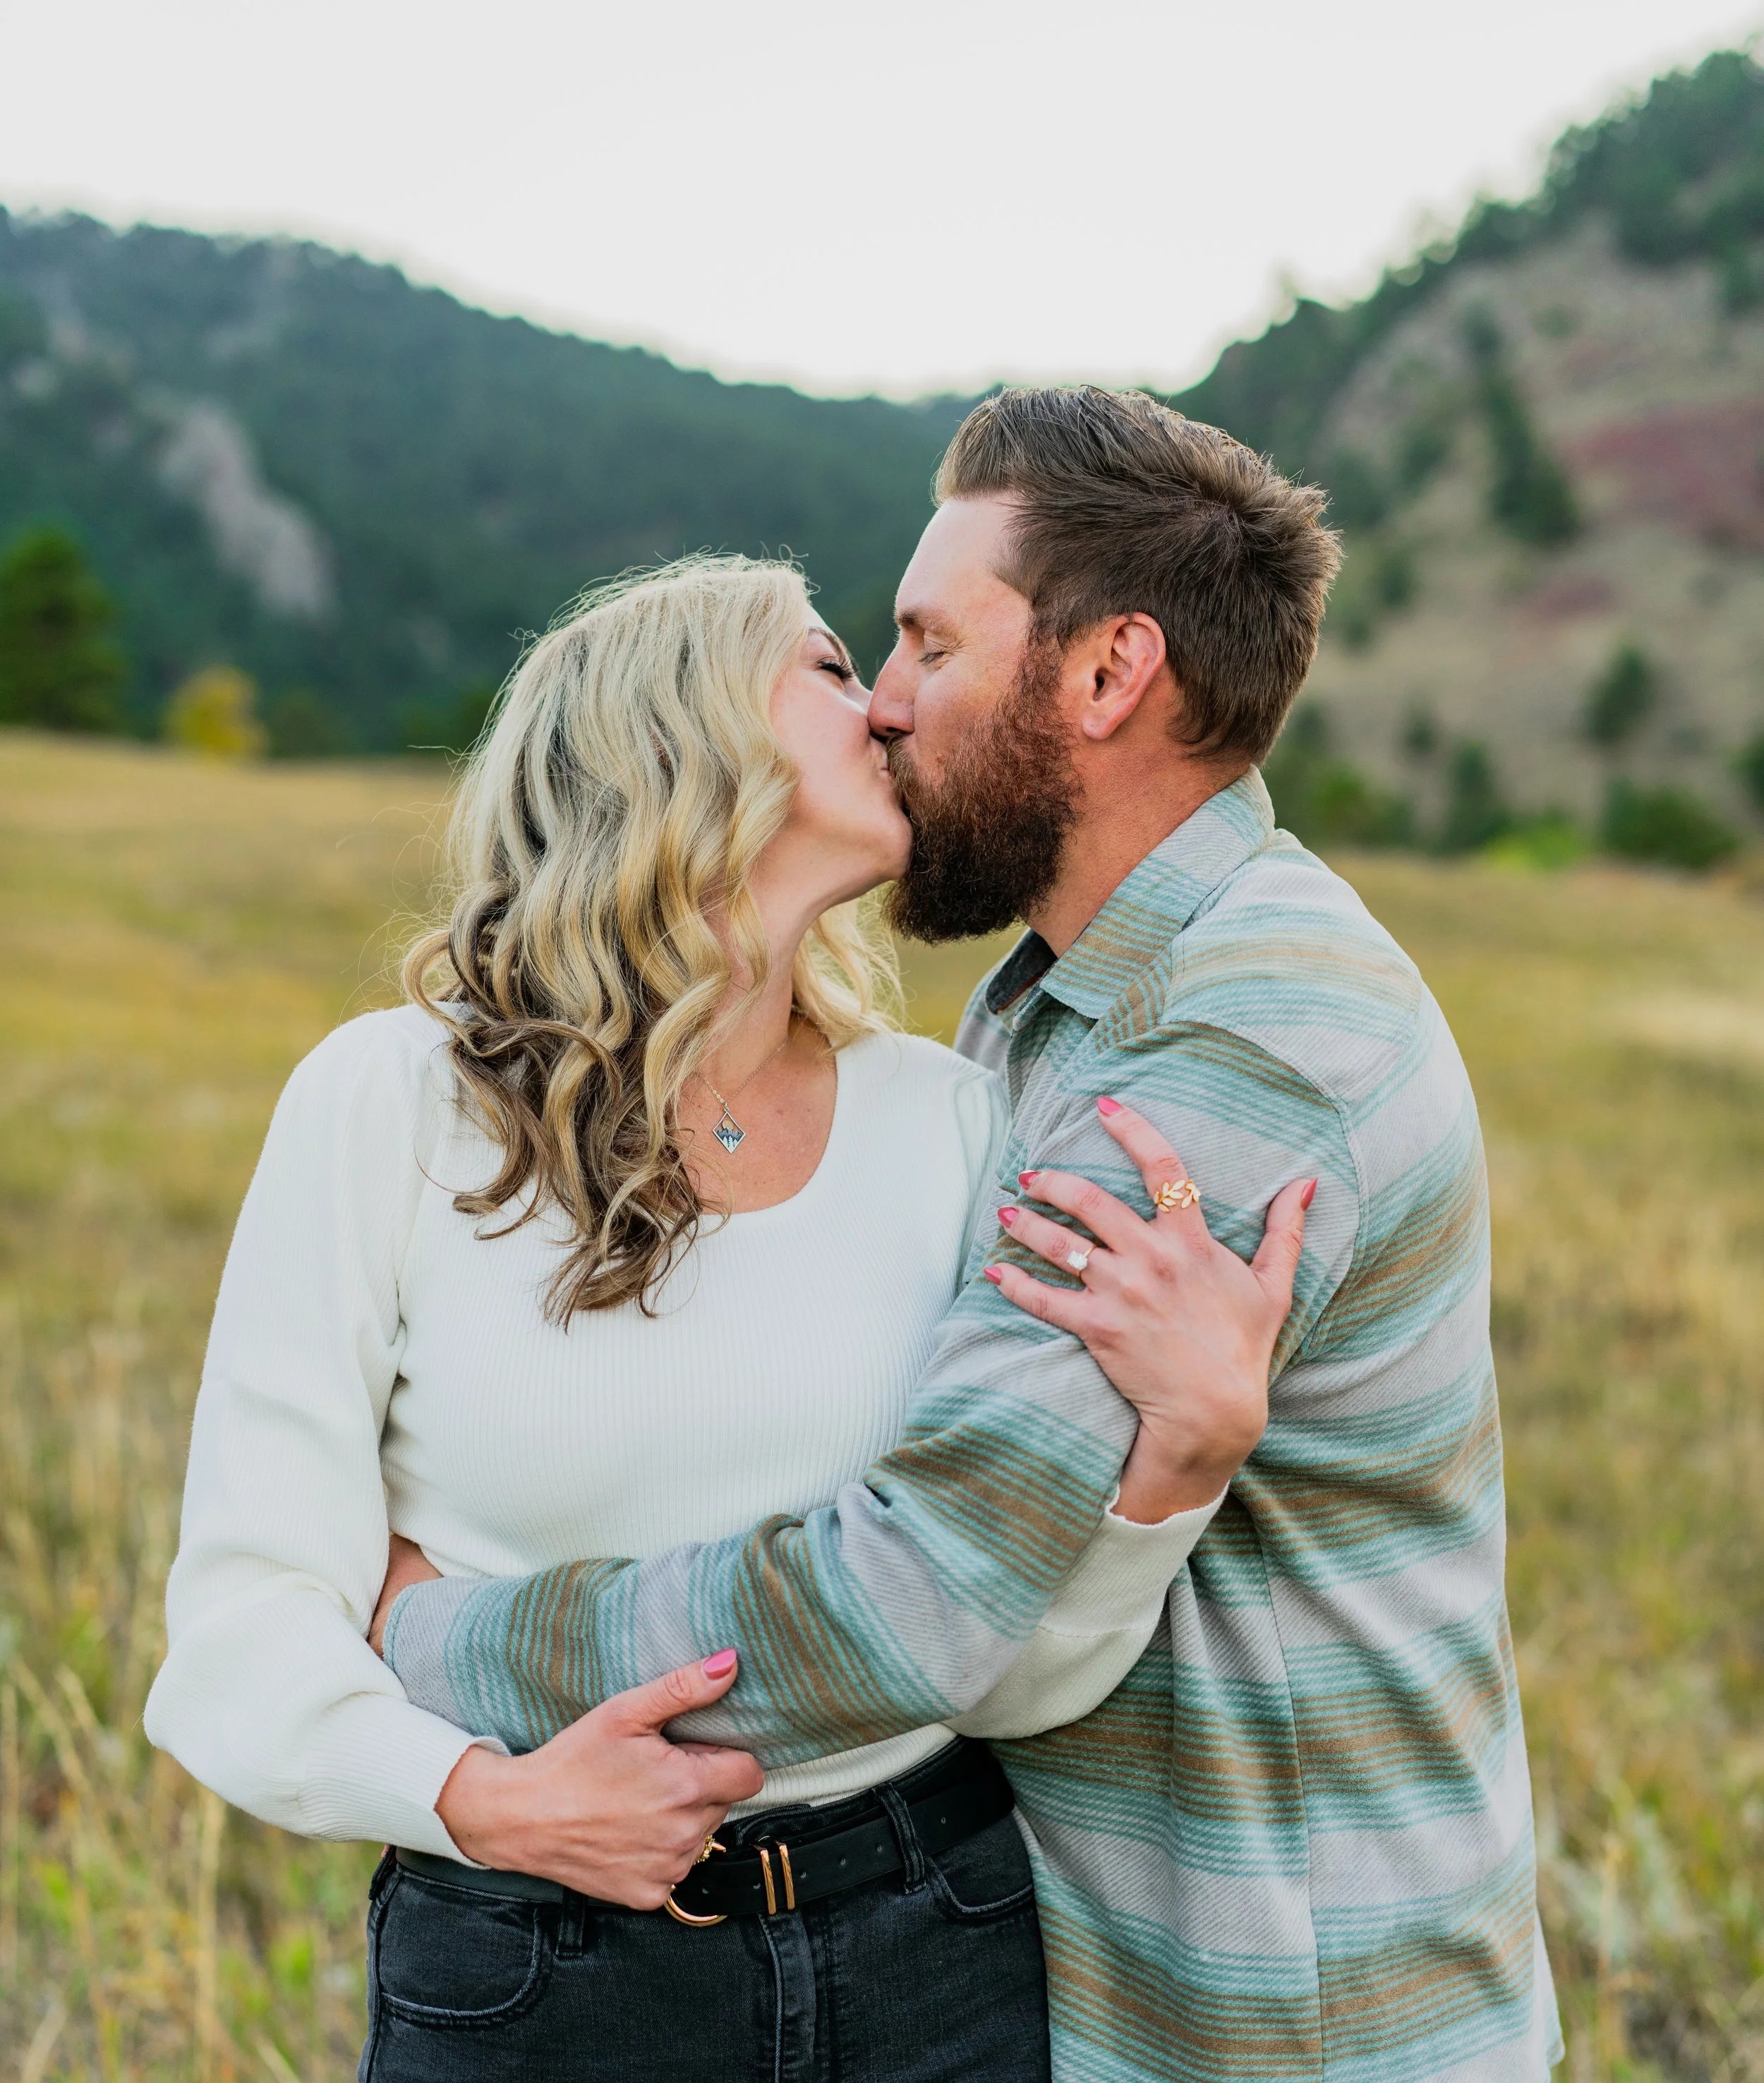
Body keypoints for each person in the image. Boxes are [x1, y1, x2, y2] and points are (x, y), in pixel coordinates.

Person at [384, 387, 1563, 2082]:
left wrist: (431, 1635)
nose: (882, 701)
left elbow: (905, 1603)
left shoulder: (1241, 1043)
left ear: (1103, 675)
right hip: (1111, 1977)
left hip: (1283, 2014)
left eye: (932, 645)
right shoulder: (1055, 1009)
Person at [144, 553, 1311, 2082]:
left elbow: (1001, 1666)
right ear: (680, 736)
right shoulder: (392, 1102)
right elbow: (238, 1628)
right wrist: (477, 1800)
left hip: (933, 1935)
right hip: (537, 1955)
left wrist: (1179, 1468)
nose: (892, 706)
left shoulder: (957, 1125)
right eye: (833, 666)